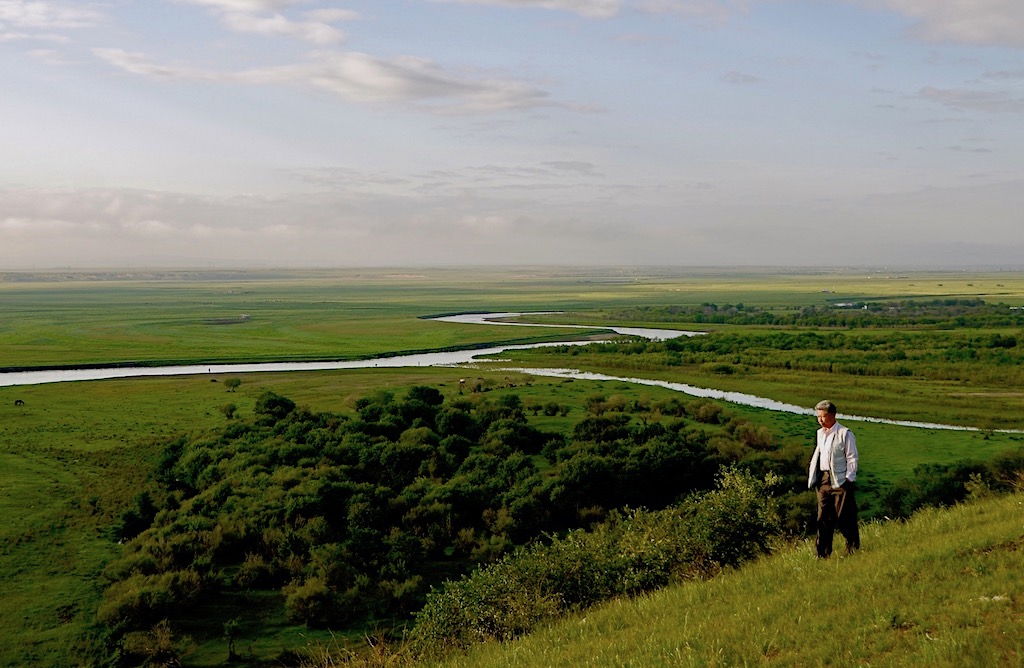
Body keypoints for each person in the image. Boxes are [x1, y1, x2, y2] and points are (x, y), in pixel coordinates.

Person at [807, 400, 860, 557]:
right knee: (823, 517)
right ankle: (822, 553)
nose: (820, 420)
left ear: (832, 415)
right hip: (823, 480)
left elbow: (852, 457)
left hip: (840, 480)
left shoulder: (845, 433)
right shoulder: (820, 434)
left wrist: (849, 479)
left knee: (843, 516)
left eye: (823, 417)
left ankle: (852, 548)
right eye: (818, 417)